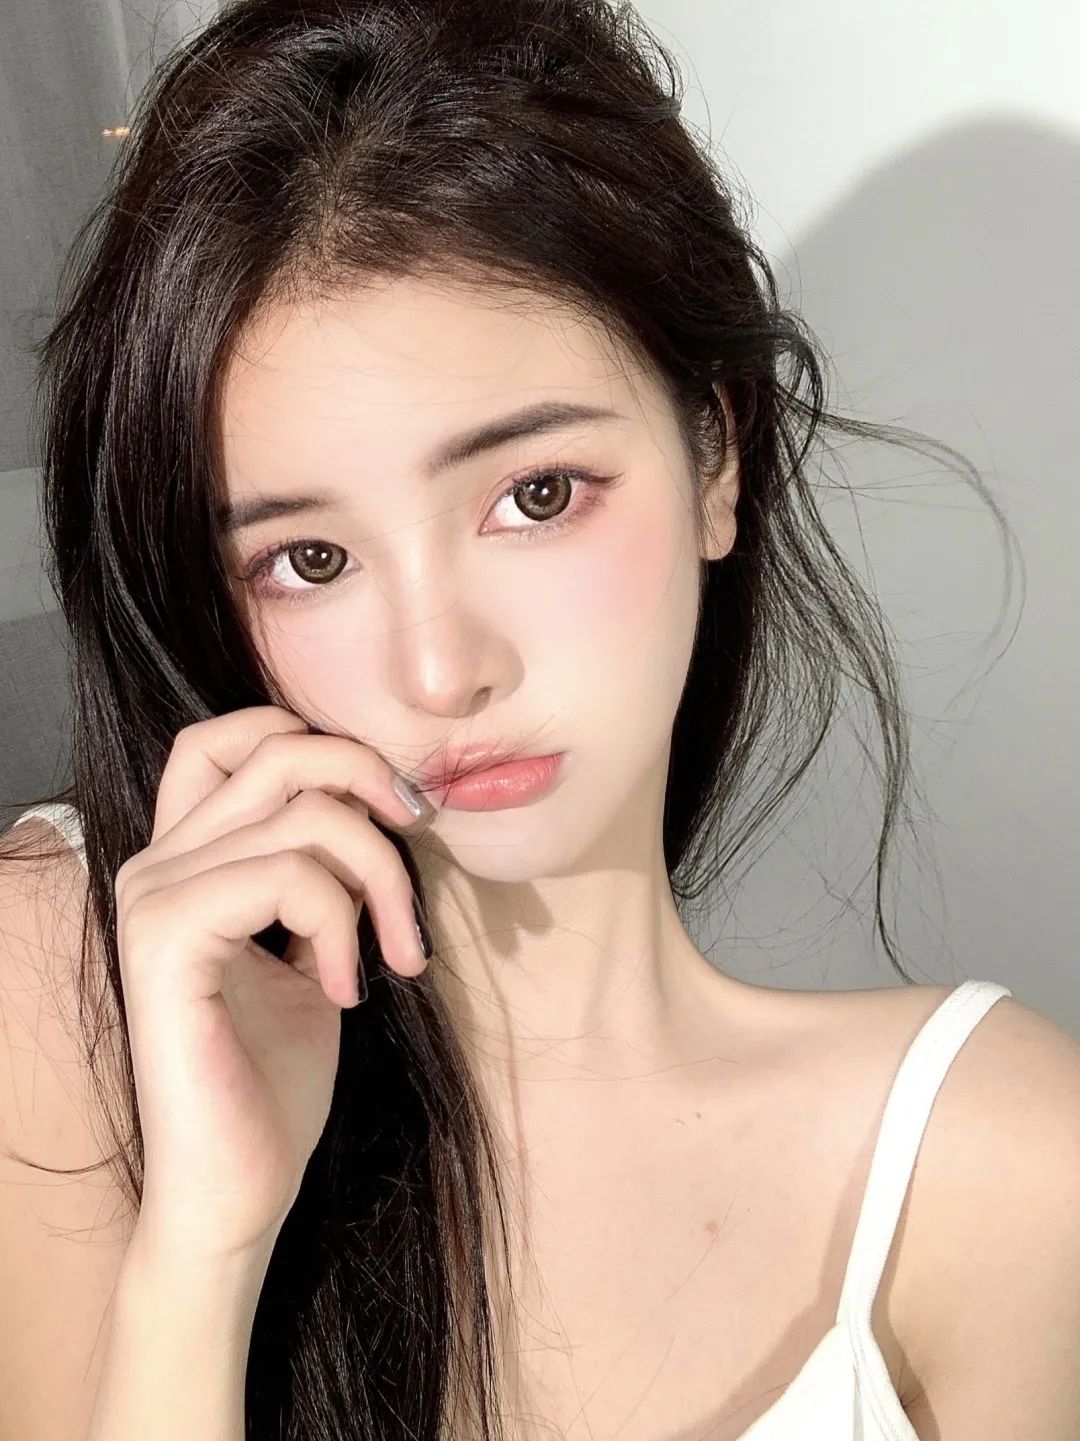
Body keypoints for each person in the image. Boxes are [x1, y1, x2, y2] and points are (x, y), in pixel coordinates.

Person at [1, 1, 1077, 1438]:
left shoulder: (994, 1160)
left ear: (715, 455)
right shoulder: (68, 983)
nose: (440, 668)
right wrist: (202, 1250)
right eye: (309, 559)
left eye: (535, 495)